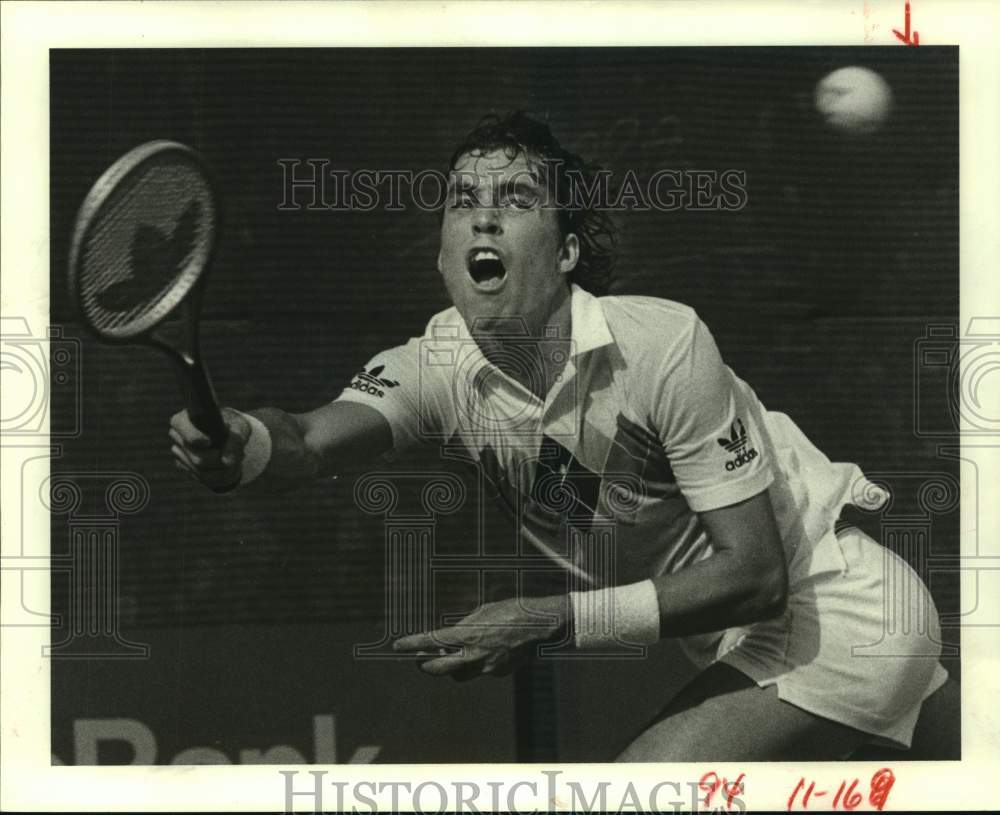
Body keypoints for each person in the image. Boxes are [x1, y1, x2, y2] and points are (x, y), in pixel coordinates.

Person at [169, 112, 948, 761]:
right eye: (462, 199)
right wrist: (242, 442)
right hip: (747, 648)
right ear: (444, 255)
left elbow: (757, 575)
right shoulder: (436, 366)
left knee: (630, 792)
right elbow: (304, 439)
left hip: (838, 614)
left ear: (567, 250)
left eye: (515, 198)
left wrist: (549, 618)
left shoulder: (663, 345)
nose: (483, 213)